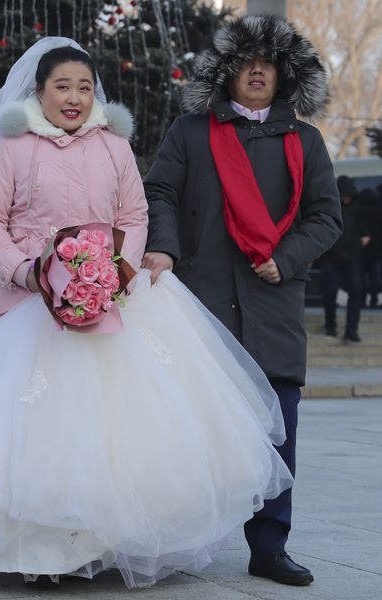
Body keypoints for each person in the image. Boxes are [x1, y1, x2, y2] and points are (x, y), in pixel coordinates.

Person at [0, 38, 291, 590]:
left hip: (116, 300)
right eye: (62, 86)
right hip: (35, 306)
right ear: (39, 92)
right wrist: (28, 272)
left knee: (122, 427)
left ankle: (106, 542)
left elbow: (134, 214)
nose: (74, 98)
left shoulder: (112, 144)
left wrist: (115, 271)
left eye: (84, 88)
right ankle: (40, 548)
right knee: (39, 428)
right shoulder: (13, 146)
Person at [143, 15, 341, 586]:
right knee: (191, 430)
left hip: (274, 303)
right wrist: (165, 250)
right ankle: (180, 539)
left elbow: (326, 216)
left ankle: (270, 546)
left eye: (268, 64)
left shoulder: (305, 140)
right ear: (226, 73)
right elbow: (160, 191)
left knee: (278, 431)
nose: (257, 71)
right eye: (246, 62)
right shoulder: (190, 131)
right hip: (202, 304)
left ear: (284, 75)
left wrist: (288, 257)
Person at [315, 176, 367, 340]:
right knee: (329, 292)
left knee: (356, 290)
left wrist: (358, 242)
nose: (346, 198)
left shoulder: (357, 209)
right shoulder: (328, 207)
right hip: (329, 257)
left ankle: (351, 329)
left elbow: (366, 234)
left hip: (352, 257)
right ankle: (330, 326)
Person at [357, 186, 382, 308]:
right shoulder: (379, 211)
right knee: (374, 276)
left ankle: (361, 300)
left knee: (361, 276)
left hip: (361, 249)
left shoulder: (358, 211)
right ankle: (374, 300)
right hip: (376, 251)